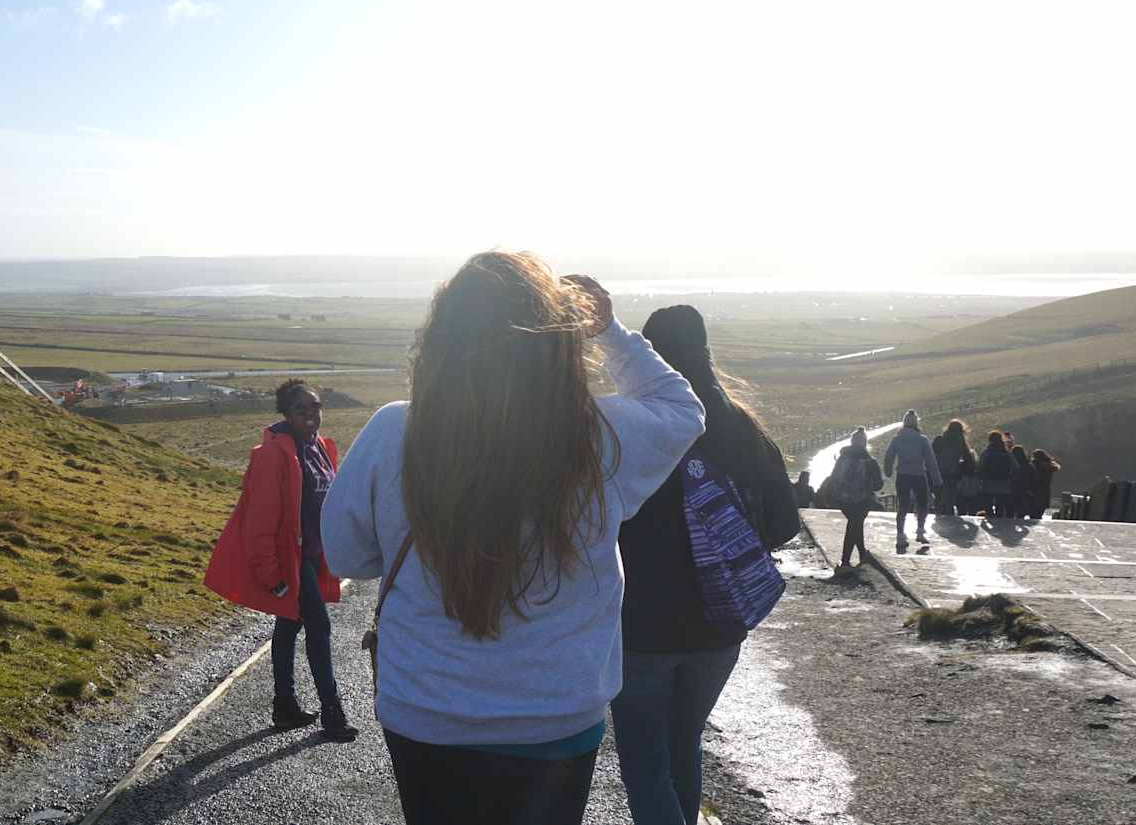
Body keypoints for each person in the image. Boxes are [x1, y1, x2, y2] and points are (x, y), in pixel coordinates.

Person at [321, 252, 704, 825]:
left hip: (426, 711)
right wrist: (610, 332)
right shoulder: (602, 436)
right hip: (558, 714)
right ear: (558, 342)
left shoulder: (394, 429)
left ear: (442, 339)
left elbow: (346, 555)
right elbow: (682, 409)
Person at [613, 305, 800, 825]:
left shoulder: (634, 430)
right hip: (721, 626)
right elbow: (785, 523)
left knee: (646, 762)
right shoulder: (743, 428)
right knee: (683, 745)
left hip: (641, 627)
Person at [202, 379, 358, 741]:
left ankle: (284, 706)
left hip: (313, 554)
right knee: (318, 627)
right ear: (286, 413)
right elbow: (261, 517)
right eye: (301, 409)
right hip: (292, 559)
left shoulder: (318, 447)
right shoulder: (273, 454)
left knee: (289, 624)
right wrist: (270, 572)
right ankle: (332, 712)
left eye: (315, 407)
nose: (311, 415)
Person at [822, 427, 883, 568]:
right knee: (854, 526)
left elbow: (833, 478)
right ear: (864, 443)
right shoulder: (869, 461)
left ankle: (862, 554)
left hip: (842, 499)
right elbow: (878, 485)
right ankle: (845, 561)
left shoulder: (842, 458)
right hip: (862, 500)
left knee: (856, 525)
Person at [882, 410, 943, 549]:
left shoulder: (897, 439)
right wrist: (937, 479)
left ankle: (900, 534)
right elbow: (930, 461)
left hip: (902, 475)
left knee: (903, 505)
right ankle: (920, 531)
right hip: (919, 475)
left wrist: (888, 471)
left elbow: (889, 456)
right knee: (922, 504)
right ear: (916, 423)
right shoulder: (922, 439)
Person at [931, 420, 977, 516]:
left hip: (938, 471)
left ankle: (939, 510)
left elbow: (932, 454)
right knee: (950, 494)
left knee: (939, 493)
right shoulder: (960, 441)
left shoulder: (940, 439)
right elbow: (967, 457)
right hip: (953, 472)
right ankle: (949, 511)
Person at [977, 430, 1016, 517]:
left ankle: (990, 519)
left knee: (988, 505)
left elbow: (980, 467)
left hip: (988, 482)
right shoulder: (1006, 453)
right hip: (1003, 483)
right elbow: (1015, 467)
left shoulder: (986, 453)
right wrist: (1010, 477)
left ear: (990, 440)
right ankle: (999, 524)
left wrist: (980, 479)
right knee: (1000, 506)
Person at [1030, 449, 1062, 520]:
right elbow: (1057, 466)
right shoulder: (1049, 466)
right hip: (1045, 491)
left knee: (1033, 513)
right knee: (1039, 514)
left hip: (1034, 491)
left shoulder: (1033, 465)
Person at [1008, 445, 1035, 519]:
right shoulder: (1028, 465)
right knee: (1021, 514)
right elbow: (1033, 479)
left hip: (1011, 491)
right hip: (1024, 491)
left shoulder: (1010, 464)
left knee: (1010, 513)